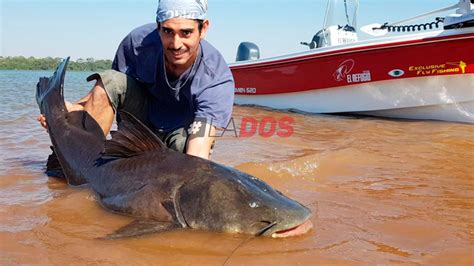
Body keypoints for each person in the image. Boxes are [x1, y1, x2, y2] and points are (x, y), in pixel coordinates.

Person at [38, 0, 235, 174]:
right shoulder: (137, 43)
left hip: (180, 134)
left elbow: (199, 147)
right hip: (140, 125)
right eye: (167, 31)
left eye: (186, 33)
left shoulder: (217, 80)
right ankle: (81, 165)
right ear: (158, 28)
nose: (176, 44)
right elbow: (109, 89)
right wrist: (74, 112)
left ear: (204, 29)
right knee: (112, 80)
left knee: (189, 164)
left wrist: (194, 180)